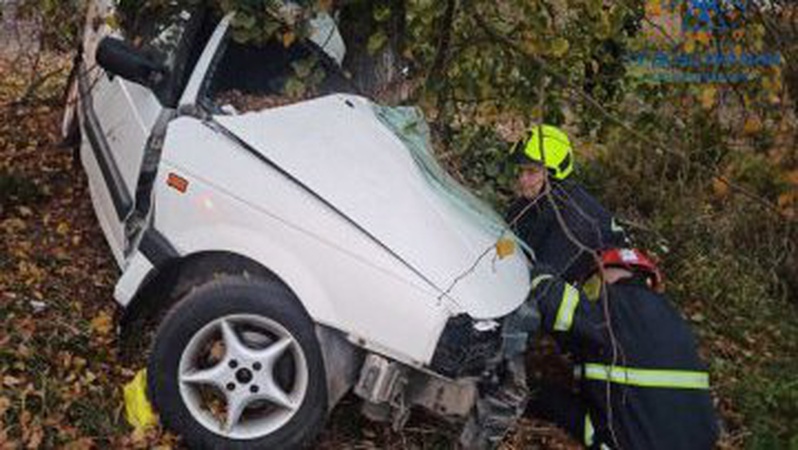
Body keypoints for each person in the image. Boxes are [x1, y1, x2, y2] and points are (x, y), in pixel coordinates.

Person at [525, 250, 719, 449]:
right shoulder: (674, 320)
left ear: (600, 276)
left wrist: (534, 272)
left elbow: (555, 303)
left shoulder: (616, 308)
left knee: (540, 396)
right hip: (693, 440)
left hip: (639, 442)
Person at [506, 125, 628, 285]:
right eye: (521, 171)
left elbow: (543, 282)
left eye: (531, 172)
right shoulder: (538, 198)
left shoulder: (573, 219)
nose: (522, 179)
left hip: (601, 298)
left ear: (553, 175)